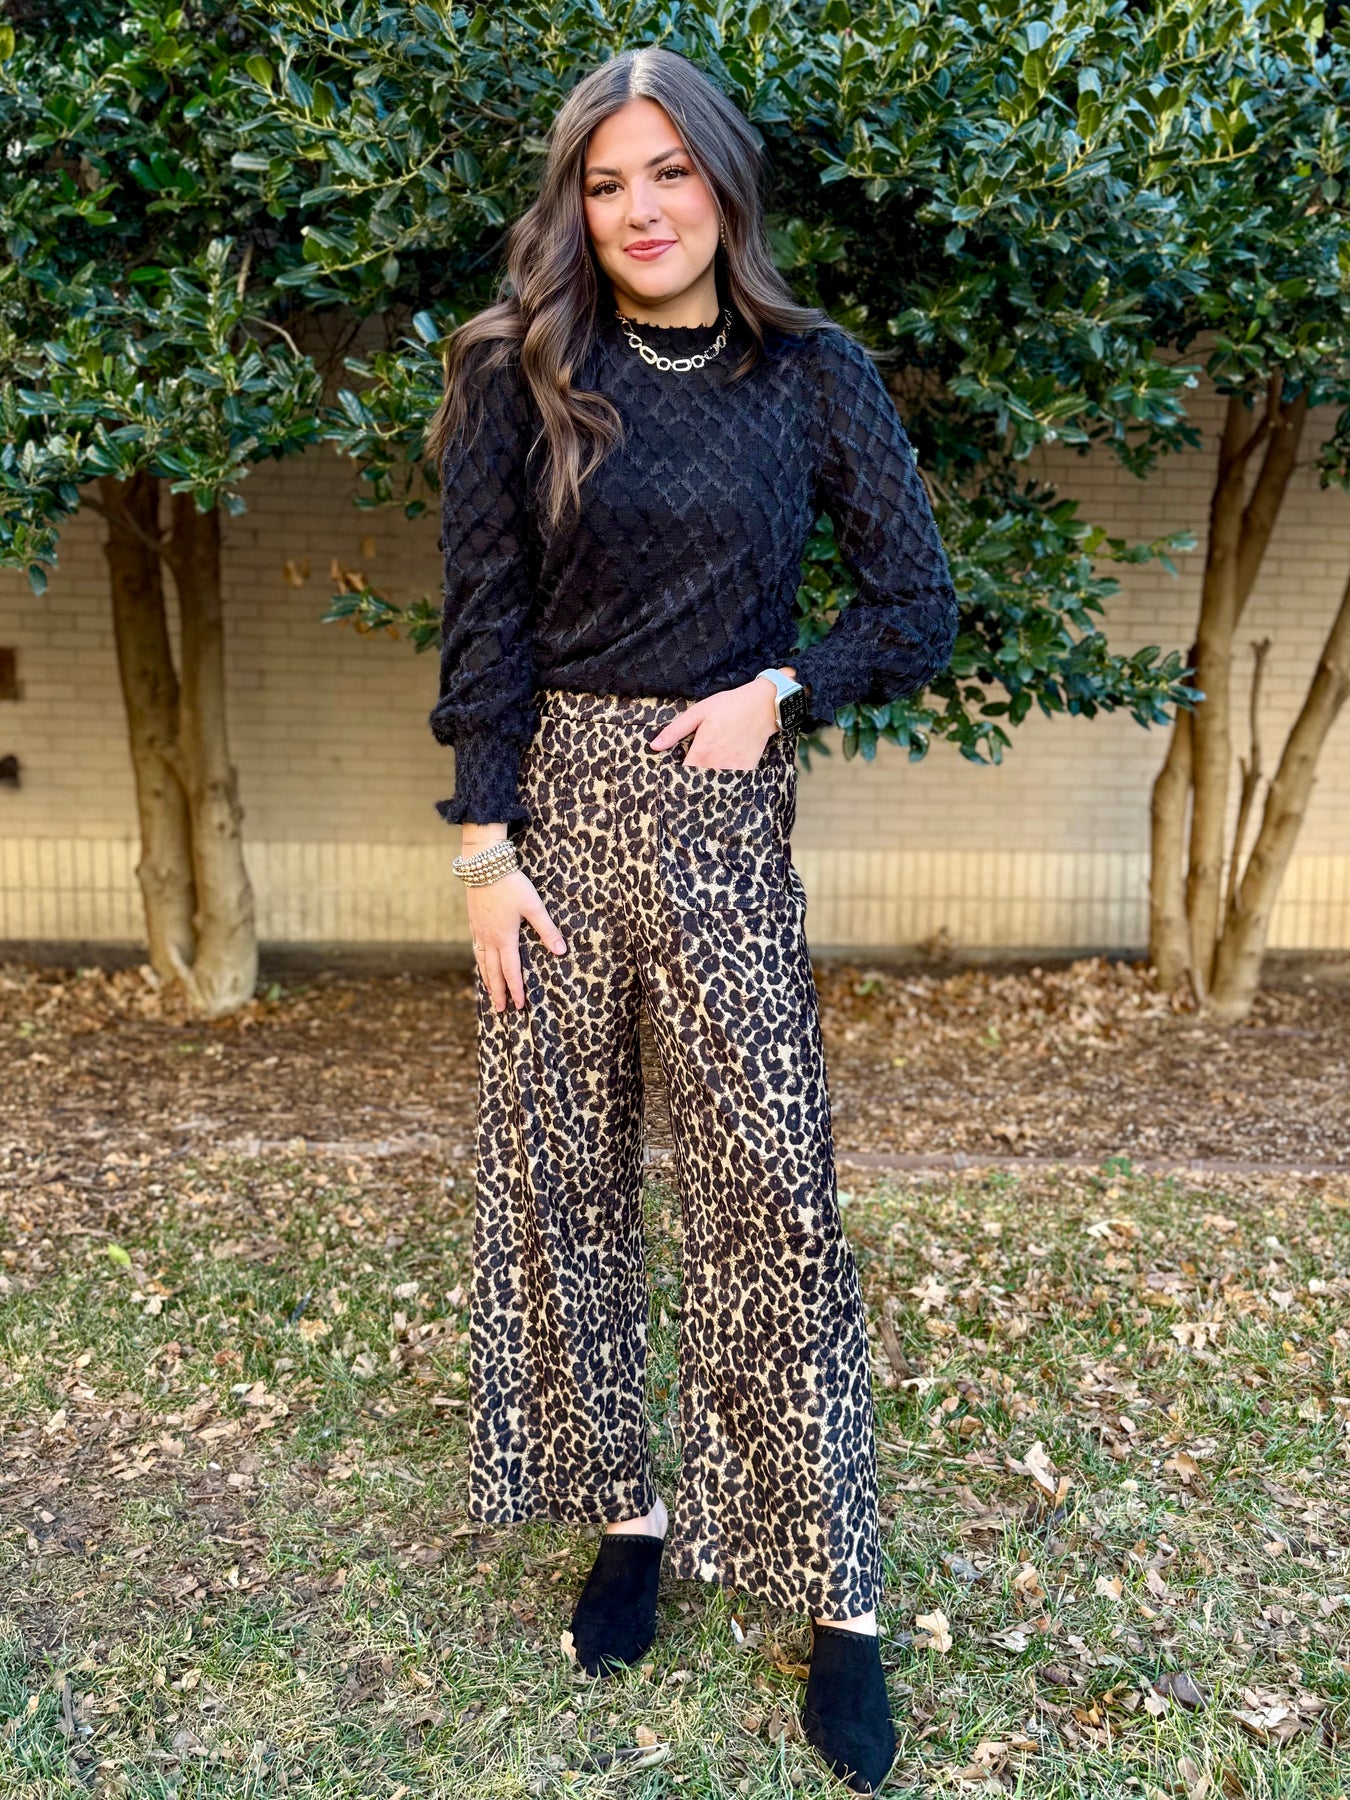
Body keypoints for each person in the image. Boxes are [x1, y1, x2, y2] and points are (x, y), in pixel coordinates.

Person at [426, 43, 958, 1796]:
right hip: (556, 825)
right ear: (573, 205)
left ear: (722, 181)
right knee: (561, 1190)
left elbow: (916, 606)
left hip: (724, 819)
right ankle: (626, 1517)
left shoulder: (810, 374)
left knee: (773, 1205)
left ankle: (839, 1598)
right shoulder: (517, 371)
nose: (638, 209)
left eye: (667, 172)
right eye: (604, 182)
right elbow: (486, 626)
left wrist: (777, 689)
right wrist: (485, 856)